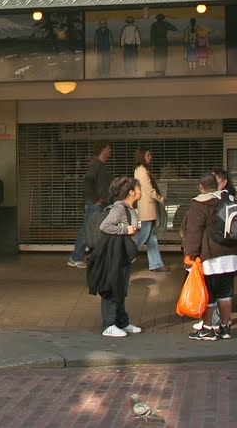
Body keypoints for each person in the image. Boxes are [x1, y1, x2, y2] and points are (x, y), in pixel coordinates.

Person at [182, 172, 237, 340]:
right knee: (226, 294)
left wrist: (190, 257)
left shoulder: (200, 204)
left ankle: (207, 328)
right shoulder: (228, 200)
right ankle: (225, 327)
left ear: (201, 187)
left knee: (209, 294)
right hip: (230, 256)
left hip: (210, 257)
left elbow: (193, 233)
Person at [87, 176, 142, 337]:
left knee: (120, 289)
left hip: (124, 256)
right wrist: (126, 230)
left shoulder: (128, 208)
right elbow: (105, 226)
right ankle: (109, 324)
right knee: (112, 289)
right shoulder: (119, 208)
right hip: (116, 255)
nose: (140, 191)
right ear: (131, 192)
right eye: (138, 189)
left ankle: (121, 322)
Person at [68, 142, 114, 268]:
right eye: (109, 148)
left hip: (101, 204)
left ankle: (94, 257)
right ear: (103, 149)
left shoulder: (101, 165)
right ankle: (75, 257)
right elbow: (87, 182)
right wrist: (95, 200)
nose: (111, 150)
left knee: (96, 231)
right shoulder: (96, 165)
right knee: (87, 231)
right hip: (95, 205)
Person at [132, 148, 168, 272]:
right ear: (142, 156)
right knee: (144, 235)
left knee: (151, 236)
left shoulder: (142, 170)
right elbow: (149, 189)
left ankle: (156, 263)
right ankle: (126, 255)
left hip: (148, 206)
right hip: (148, 206)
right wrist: (161, 199)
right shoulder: (141, 171)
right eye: (148, 155)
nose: (150, 157)